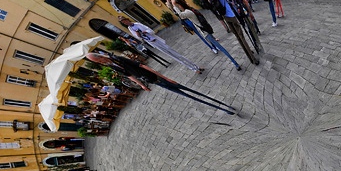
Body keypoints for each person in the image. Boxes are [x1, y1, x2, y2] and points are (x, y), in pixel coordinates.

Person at [84, 52, 237, 115]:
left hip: (156, 77)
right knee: (185, 95)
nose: (101, 62)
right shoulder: (111, 66)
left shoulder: (118, 58)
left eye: (98, 60)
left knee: (187, 90)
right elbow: (130, 76)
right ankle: (223, 109)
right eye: (97, 62)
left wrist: (165, 77)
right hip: (151, 81)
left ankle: (223, 105)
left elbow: (142, 66)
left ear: (99, 57)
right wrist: (142, 85)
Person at [164, 0, 242, 71]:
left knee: (221, 48)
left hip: (205, 33)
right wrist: (173, 2)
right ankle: (232, 61)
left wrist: (174, 5)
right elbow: (179, 13)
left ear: (180, 5)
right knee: (219, 46)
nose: (177, 8)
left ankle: (235, 63)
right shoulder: (189, 9)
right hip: (205, 30)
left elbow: (180, 15)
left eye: (178, 6)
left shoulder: (188, 12)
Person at [203, 0, 260, 65]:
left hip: (223, 15)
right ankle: (252, 58)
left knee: (237, 37)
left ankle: (249, 52)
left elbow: (209, 0)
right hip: (230, 14)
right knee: (241, 36)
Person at [118, 16, 202, 74]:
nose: (125, 22)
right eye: (123, 22)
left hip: (157, 40)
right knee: (174, 56)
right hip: (153, 43)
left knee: (176, 54)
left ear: (127, 19)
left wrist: (146, 32)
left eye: (125, 20)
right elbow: (139, 39)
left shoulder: (137, 24)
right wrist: (139, 35)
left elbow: (151, 31)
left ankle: (195, 67)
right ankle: (193, 68)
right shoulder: (130, 29)